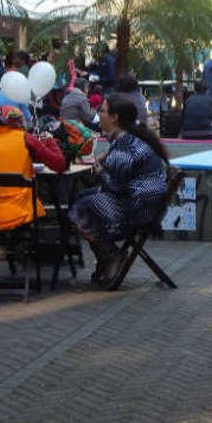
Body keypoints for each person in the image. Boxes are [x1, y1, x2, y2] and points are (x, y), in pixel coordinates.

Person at [68, 93, 168, 287]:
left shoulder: (124, 144)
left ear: (114, 118)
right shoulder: (126, 139)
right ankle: (108, 257)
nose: (99, 114)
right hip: (144, 204)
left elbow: (114, 185)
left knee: (80, 207)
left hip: (139, 209)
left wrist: (98, 171)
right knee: (81, 199)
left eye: (103, 111)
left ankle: (111, 255)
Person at [0, 105, 66, 232]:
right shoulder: (26, 139)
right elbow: (59, 164)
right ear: (19, 121)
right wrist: (50, 140)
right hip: (20, 213)